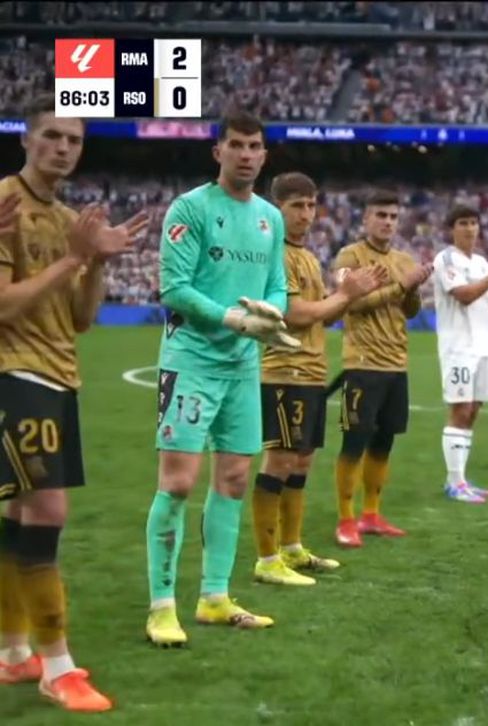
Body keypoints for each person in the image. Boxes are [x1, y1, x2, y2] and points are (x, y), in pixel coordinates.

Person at [0, 94, 147, 711]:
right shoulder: (5, 203)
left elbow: (82, 319)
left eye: (74, 139)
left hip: (59, 374)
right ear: (26, 139)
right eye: (52, 135)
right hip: (15, 373)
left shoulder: (67, 217)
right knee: (48, 509)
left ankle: (13, 651)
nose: (63, 147)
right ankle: (58, 667)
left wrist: (98, 265)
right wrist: (73, 259)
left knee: (20, 512)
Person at [144, 109, 299, 647]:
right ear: (218, 151)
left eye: (255, 147)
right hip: (191, 360)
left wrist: (272, 313)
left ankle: (214, 597)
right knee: (177, 483)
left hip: (242, 366)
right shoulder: (191, 208)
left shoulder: (270, 218)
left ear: (265, 154)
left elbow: (277, 284)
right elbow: (174, 288)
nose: (247, 155)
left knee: (233, 478)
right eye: (236, 145)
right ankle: (162, 606)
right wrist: (234, 319)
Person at [252, 172, 388, 581]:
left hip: (311, 372)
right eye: (297, 205)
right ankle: (267, 559)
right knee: (279, 460)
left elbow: (321, 318)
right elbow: (294, 315)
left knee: (302, 460)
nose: (306, 214)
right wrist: (345, 295)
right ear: (276, 209)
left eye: (311, 205)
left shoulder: (308, 256)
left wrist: (349, 296)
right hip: (285, 371)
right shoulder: (276, 254)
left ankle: (292, 548)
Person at [330, 192, 431, 547]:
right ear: (366, 219)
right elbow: (351, 303)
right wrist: (401, 285)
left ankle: (371, 514)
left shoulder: (404, 260)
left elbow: (411, 311)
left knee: (383, 442)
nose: (388, 221)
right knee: (354, 442)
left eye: (392, 216)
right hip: (361, 363)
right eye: (381, 215)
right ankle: (346, 519)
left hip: (396, 363)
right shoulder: (350, 256)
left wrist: (413, 289)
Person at [433, 205, 488, 503]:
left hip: (484, 346)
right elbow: (465, 296)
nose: (470, 228)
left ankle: (459, 479)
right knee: (460, 410)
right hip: (458, 347)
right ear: (451, 229)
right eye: (463, 223)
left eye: (474, 222)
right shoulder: (446, 259)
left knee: (472, 411)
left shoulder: (482, 262)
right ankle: (454, 483)